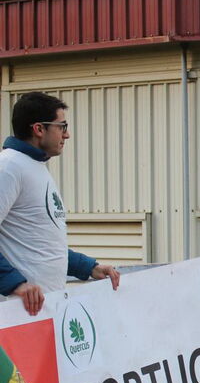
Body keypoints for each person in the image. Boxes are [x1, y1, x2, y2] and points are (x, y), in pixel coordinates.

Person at [0, 92, 120, 316]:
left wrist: (89, 267)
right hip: (18, 313)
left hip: (45, 309)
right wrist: (15, 284)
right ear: (39, 129)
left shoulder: (34, 166)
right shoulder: (8, 167)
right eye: (62, 126)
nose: (67, 134)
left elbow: (42, 245)